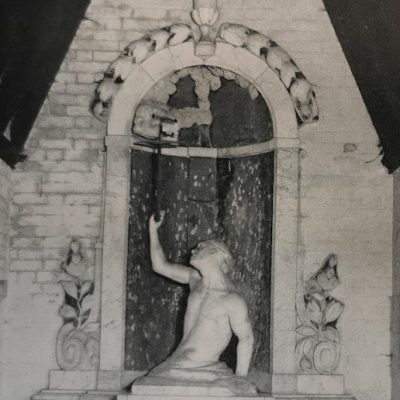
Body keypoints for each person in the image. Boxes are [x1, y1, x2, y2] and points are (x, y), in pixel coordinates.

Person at [135, 212, 255, 394]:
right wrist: (153, 230)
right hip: (174, 364)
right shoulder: (194, 280)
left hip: (203, 367)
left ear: (216, 252)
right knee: (144, 385)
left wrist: (240, 377)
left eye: (200, 247)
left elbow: (246, 337)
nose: (193, 250)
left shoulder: (232, 299)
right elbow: (160, 265)